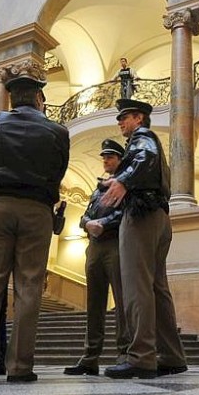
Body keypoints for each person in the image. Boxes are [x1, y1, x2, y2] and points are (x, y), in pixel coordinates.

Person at [0, 75, 69, 383]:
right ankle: (20, 367)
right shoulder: (58, 131)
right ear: (38, 99)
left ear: (11, 99)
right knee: (30, 287)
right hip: (38, 210)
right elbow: (60, 168)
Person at [100, 98, 187, 379]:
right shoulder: (146, 139)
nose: (120, 123)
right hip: (159, 217)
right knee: (158, 289)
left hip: (141, 216)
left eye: (124, 117)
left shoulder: (143, 137)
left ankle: (141, 357)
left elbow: (144, 159)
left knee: (136, 286)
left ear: (139, 118)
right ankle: (172, 356)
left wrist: (123, 179)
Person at [64, 139, 130, 376]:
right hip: (94, 247)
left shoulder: (124, 184)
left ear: (120, 160)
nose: (105, 160)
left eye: (110, 157)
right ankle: (90, 357)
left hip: (114, 244)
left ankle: (125, 353)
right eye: (104, 157)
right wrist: (87, 223)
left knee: (122, 302)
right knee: (94, 303)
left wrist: (103, 223)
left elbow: (126, 213)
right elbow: (84, 215)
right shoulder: (97, 189)